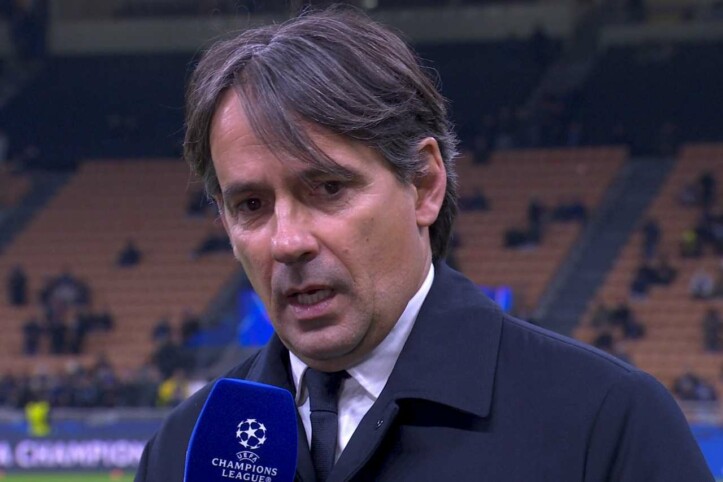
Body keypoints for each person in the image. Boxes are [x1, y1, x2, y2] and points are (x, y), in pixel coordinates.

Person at [136, 8, 713, 482]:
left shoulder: (604, 422)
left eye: (329, 188)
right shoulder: (183, 450)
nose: (287, 241)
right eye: (251, 205)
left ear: (424, 185)